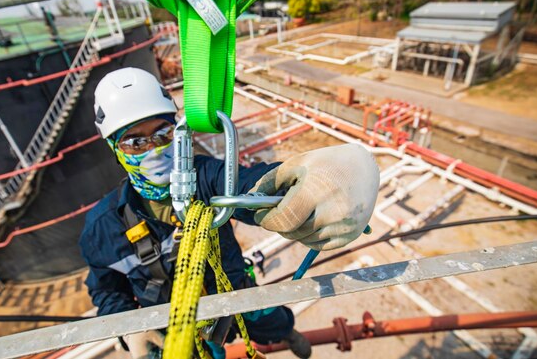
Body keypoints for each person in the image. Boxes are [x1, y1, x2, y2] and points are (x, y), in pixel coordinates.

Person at [80, 67, 380, 358]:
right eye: (135, 142)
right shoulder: (102, 228)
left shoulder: (205, 178)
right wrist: (128, 329)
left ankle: (287, 334)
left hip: (234, 292)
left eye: (163, 133)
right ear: (115, 148)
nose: (154, 149)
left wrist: (317, 179)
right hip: (169, 326)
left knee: (271, 319)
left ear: (178, 133)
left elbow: (253, 184)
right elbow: (107, 290)